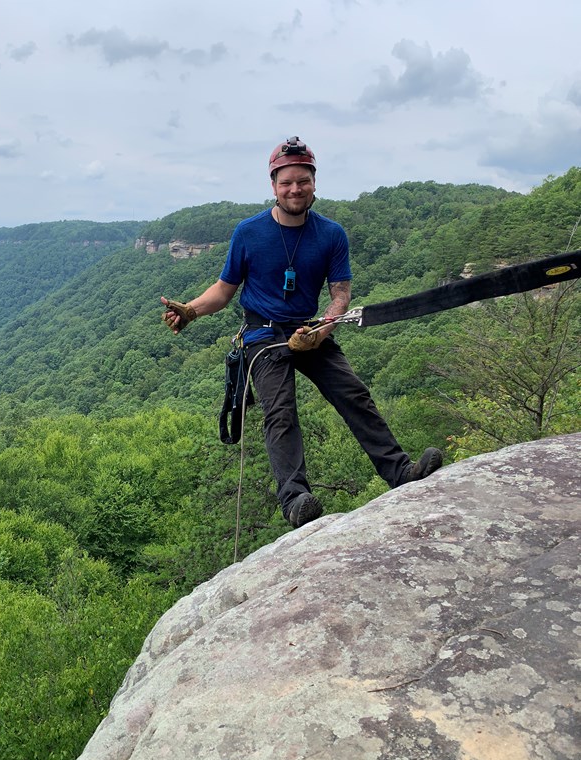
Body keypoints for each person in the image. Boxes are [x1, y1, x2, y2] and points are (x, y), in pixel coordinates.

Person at [160, 136, 442, 528]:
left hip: (310, 330)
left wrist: (324, 328)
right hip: (263, 336)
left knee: (354, 394)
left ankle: (401, 473)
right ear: (273, 185)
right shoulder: (249, 233)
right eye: (286, 182)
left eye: (303, 180)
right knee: (280, 411)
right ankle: (295, 501)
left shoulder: (331, 235)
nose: (295, 189)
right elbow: (224, 291)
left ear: (314, 182)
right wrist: (191, 310)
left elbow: (340, 294)